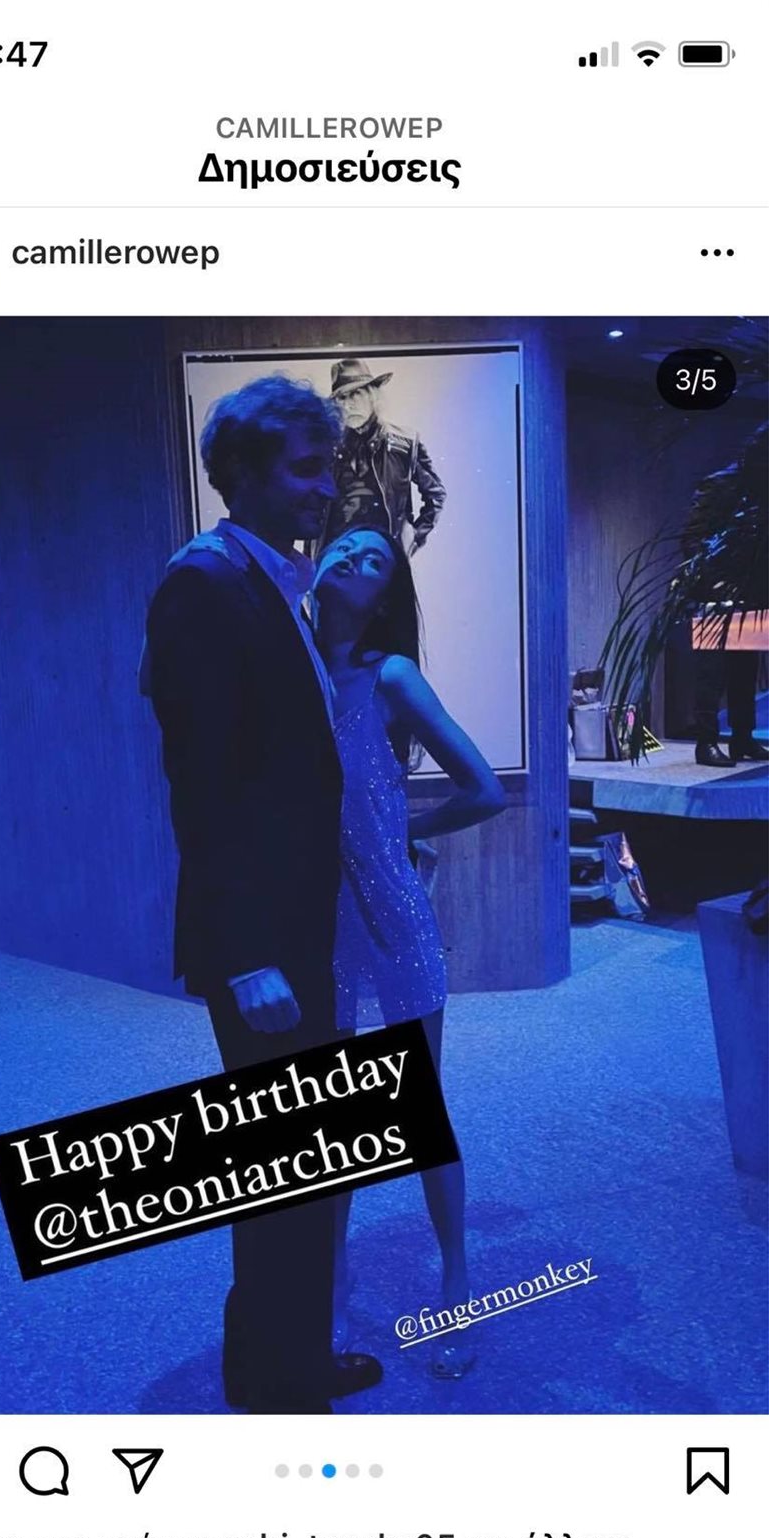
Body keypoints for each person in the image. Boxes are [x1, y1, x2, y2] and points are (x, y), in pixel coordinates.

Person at [142, 376, 383, 1414]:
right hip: (261, 940)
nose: (327, 488)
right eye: (306, 468)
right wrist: (244, 956)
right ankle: (280, 1383)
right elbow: (202, 786)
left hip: (295, 921)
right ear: (240, 473)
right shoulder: (204, 584)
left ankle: (279, 1359)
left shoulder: (270, 576)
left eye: (329, 466)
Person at [313, 527, 506, 1378]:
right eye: (343, 546)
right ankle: (333, 1282)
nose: (351, 559)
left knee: (416, 1110)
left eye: (373, 560)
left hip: (393, 916)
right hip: (315, 922)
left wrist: (402, 829)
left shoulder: (390, 676)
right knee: (333, 1120)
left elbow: (485, 788)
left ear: (385, 596)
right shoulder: (288, 662)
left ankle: (456, 1281)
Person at [316, 358, 447, 558]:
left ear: (372, 395)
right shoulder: (326, 446)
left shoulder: (405, 443)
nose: (349, 405)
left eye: (356, 394)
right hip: (334, 556)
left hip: (384, 559)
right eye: (342, 398)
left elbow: (435, 496)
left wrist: (411, 540)